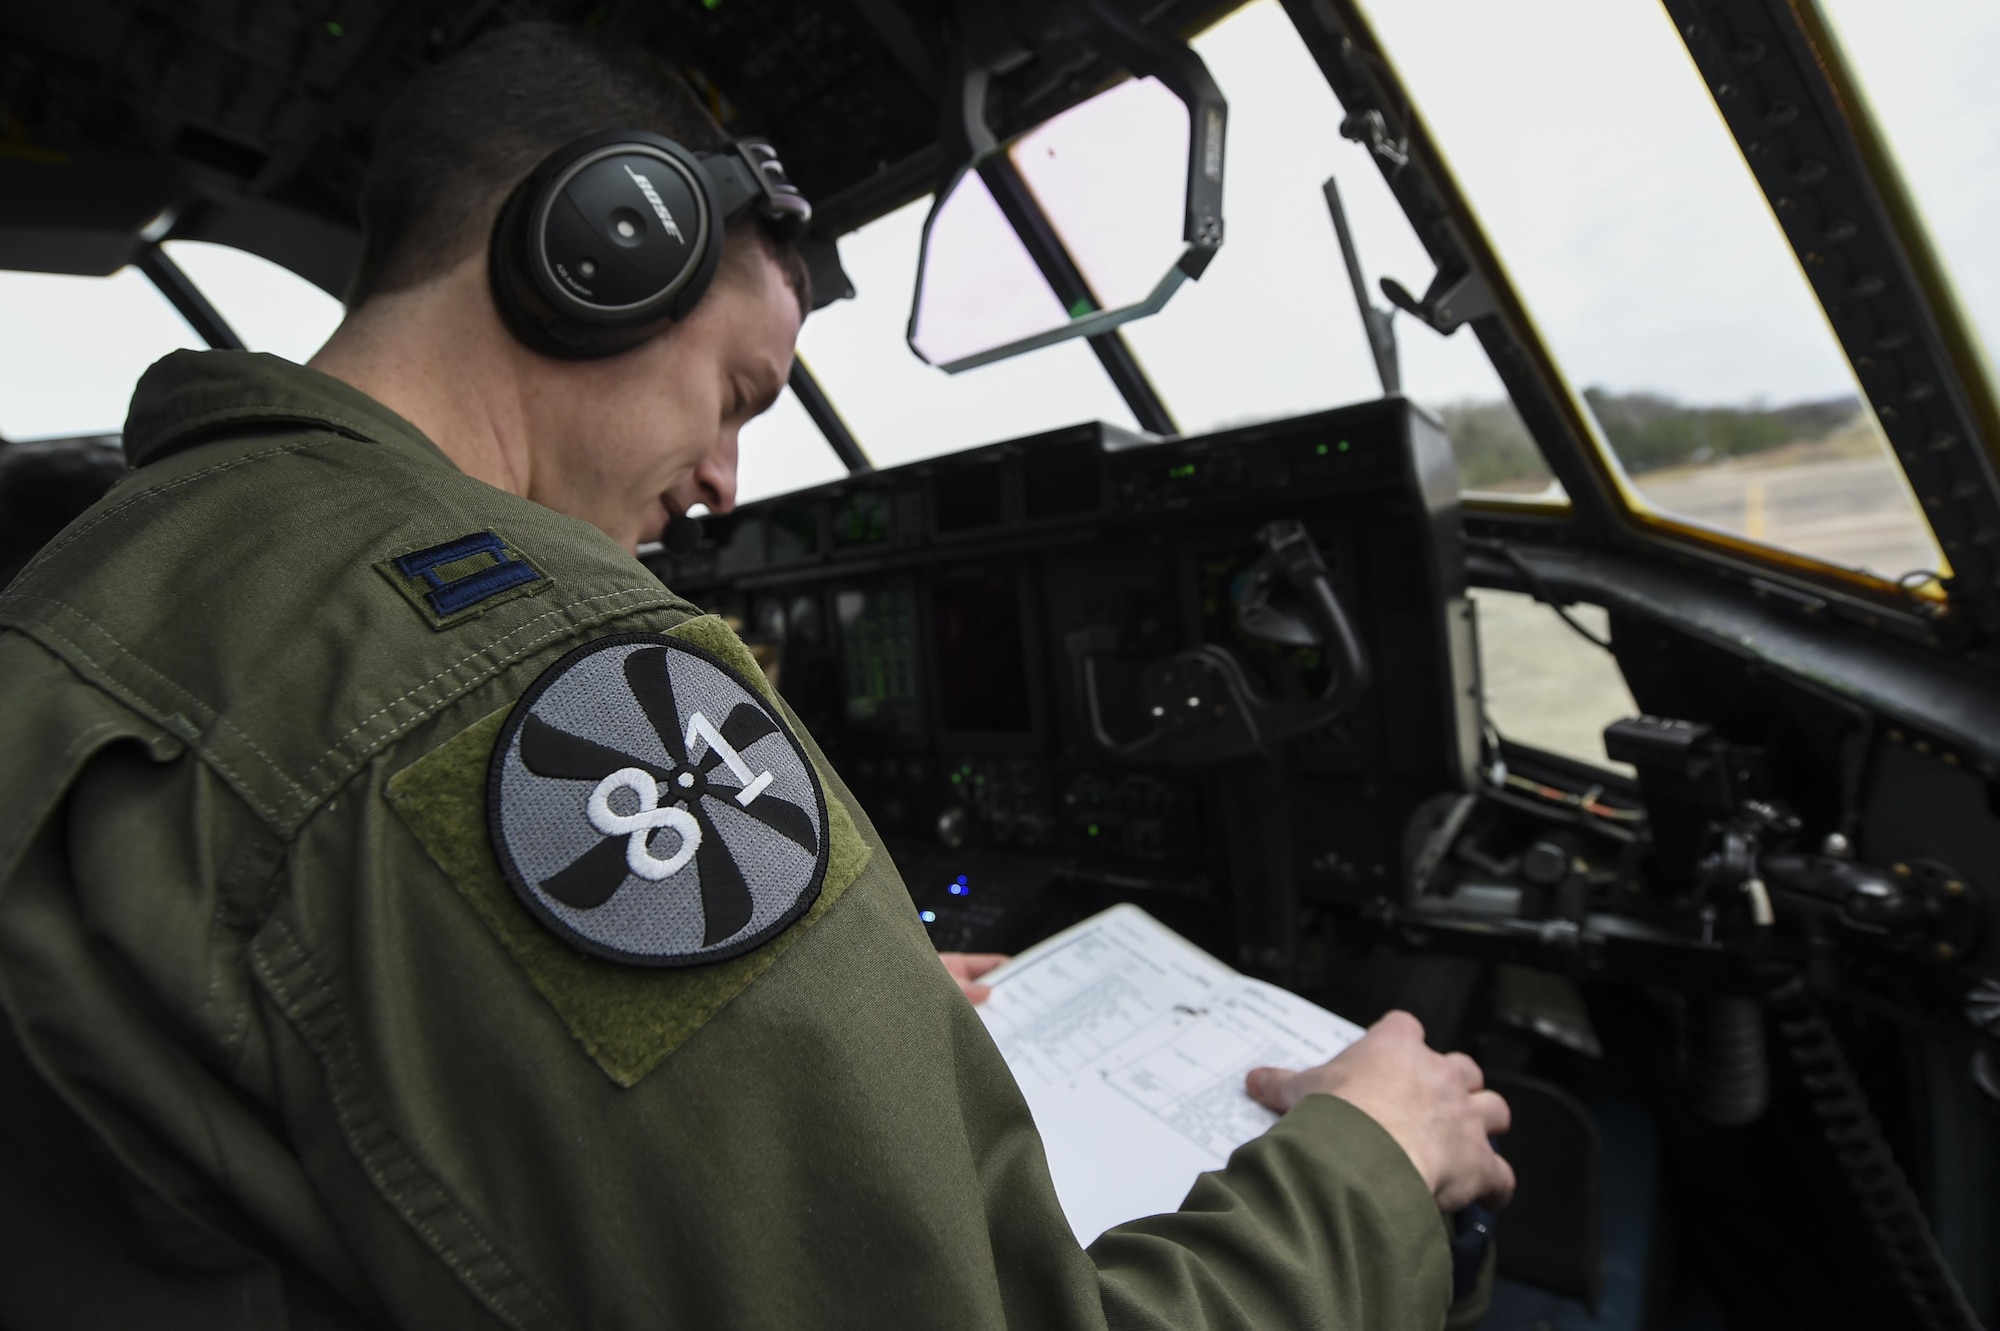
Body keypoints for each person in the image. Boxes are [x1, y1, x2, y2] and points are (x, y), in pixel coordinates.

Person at [0, 22, 1511, 1330]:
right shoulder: (520, 667)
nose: (726, 482)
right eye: (737, 395)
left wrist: (802, 1023)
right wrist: (1369, 1161)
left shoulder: (113, 575)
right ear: (595, 252)